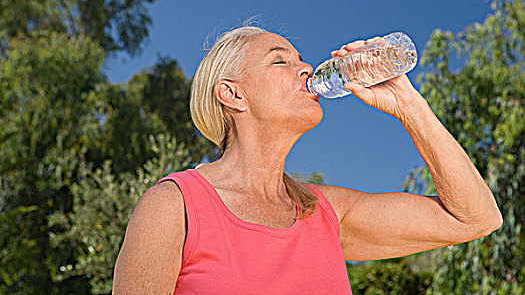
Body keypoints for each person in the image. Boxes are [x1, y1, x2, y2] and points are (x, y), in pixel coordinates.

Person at [112, 26, 503, 294]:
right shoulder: (175, 206)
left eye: (301, 58)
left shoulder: (325, 212)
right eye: (280, 61)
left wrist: (407, 104)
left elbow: (476, 218)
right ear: (232, 95)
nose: (306, 67)